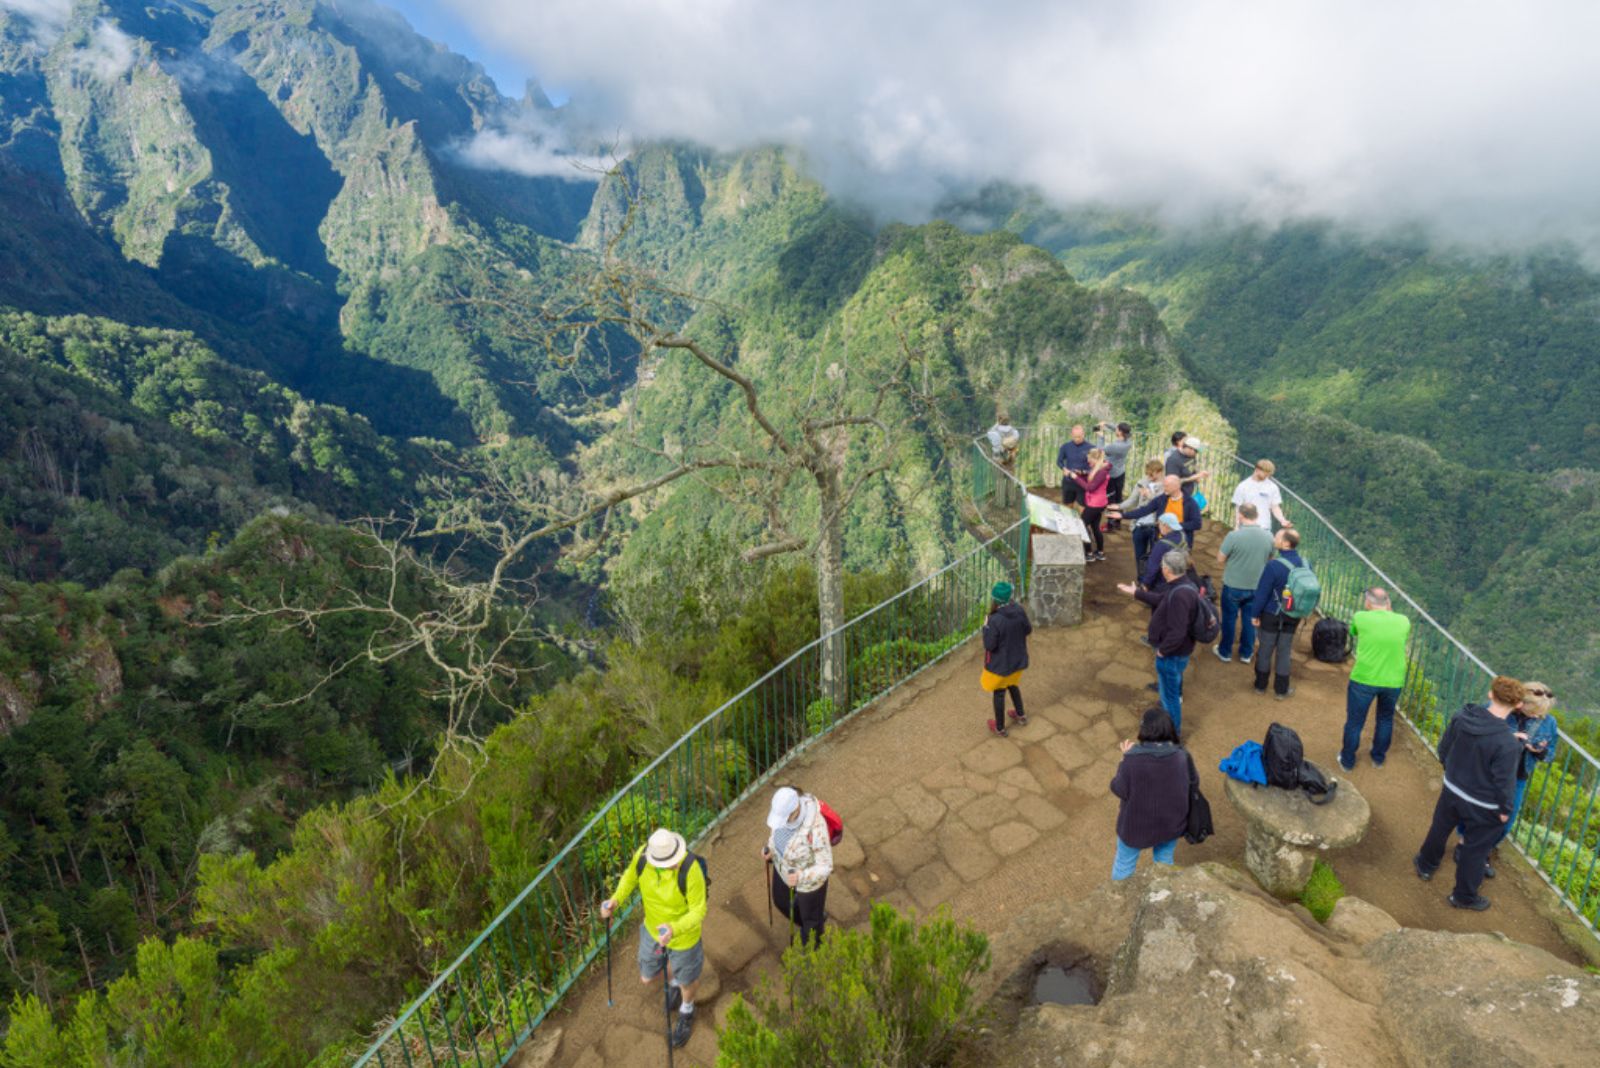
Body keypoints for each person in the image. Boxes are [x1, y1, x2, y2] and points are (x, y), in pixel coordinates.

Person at [1413, 677, 1526, 911]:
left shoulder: (1462, 717)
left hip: (1453, 788)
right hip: (1483, 805)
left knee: (1439, 828)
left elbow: (1444, 747)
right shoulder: (1508, 744)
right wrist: (1505, 810)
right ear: (1518, 705)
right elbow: (1504, 783)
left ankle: (1425, 865)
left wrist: (1451, 772)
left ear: (1490, 694)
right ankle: (1463, 897)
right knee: (1476, 850)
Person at [601, 827, 708, 1047]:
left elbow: (699, 910)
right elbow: (630, 877)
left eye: (674, 859)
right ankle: (674, 981)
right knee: (647, 976)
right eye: (668, 862)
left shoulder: (691, 869)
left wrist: (674, 929)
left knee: (688, 980)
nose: (674, 864)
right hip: (653, 931)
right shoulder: (643, 857)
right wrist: (615, 901)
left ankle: (687, 1010)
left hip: (684, 938)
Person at [1463, 681, 1561, 877]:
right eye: (1534, 712)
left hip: (1518, 776)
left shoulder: (1549, 722)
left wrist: (1540, 751)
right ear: (1521, 703)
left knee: (1506, 821)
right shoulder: (1501, 708)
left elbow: (1550, 753)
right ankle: (1465, 843)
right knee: (1474, 808)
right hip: (1490, 770)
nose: (1537, 717)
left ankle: (1483, 850)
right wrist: (1508, 737)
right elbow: (1477, 729)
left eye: (1541, 713)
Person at [1110, 707, 1199, 879]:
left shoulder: (1132, 760)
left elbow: (1118, 788)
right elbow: (1194, 783)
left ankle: (1118, 895)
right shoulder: (1182, 755)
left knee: (1124, 865)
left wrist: (1124, 759)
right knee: (1164, 862)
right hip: (1171, 824)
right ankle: (1164, 891)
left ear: (1144, 729)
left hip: (1135, 828)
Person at [1339, 588, 1412, 770]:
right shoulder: (1404, 621)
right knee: (1385, 719)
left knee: (1355, 722)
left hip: (1364, 678)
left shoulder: (1361, 617)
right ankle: (1378, 758)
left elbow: (1353, 632)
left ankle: (1347, 761)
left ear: (1368, 603)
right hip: (1393, 680)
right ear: (1388, 603)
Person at [762, 786, 834, 948]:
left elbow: (826, 865)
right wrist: (771, 850)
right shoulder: (782, 816)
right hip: (784, 870)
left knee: (812, 923)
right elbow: (776, 836)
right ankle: (811, 923)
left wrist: (801, 876)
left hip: (809, 884)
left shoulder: (816, 827)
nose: (780, 821)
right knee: (781, 902)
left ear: (795, 810)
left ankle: (815, 947)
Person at [1146, 549, 1201, 734]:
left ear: (1167, 570)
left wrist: (1163, 650)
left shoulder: (1179, 594)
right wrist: (1135, 593)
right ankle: (1167, 722)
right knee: (1170, 690)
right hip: (1179, 651)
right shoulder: (1184, 584)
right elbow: (1160, 599)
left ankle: (1172, 734)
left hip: (1171, 654)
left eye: (1162, 565)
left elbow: (1177, 632)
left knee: (1170, 697)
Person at [1214, 503, 1274, 664]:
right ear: (1257, 515)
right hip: (1256, 587)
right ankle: (1246, 654)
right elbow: (1270, 559)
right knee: (1250, 620)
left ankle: (1225, 652)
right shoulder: (1269, 536)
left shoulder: (1233, 536)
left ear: (1240, 515)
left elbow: (1220, 559)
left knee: (1229, 619)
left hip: (1233, 585)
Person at [1249, 528, 1306, 699]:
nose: (1275, 538)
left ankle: (1260, 686)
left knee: (1265, 650)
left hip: (1271, 614)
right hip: (1293, 614)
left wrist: (1254, 614)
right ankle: (1281, 690)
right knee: (1284, 651)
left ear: (1286, 543)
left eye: (1278, 536)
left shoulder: (1273, 565)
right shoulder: (1305, 564)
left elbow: (1262, 593)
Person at [982, 580, 1031, 737]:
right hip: (1018, 661)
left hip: (1001, 665)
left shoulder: (994, 620)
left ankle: (1000, 728)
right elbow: (1028, 629)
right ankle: (1021, 715)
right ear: (1010, 596)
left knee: (999, 693)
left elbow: (989, 645)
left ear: (994, 600)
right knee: (1013, 685)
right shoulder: (1019, 610)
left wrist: (985, 627)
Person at [1109, 474, 1202, 549]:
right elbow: (1145, 510)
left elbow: (1197, 524)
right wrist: (1123, 515)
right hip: (1161, 541)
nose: (1164, 488)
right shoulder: (1163, 499)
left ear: (1176, 487)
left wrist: (1173, 526)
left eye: (1167, 486)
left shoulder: (1190, 503)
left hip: (1180, 544)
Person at [1118, 514, 1187, 609]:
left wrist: (1145, 584)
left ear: (1165, 525)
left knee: (1159, 604)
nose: (1158, 527)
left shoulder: (1162, 545)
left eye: (1159, 524)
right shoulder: (1183, 536)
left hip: (1163, 581)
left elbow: (1152, 568)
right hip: (1179, 574)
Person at [1122, 458, 1166, 578]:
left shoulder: (1166, 486)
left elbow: (1162, 504)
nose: (1149, 477)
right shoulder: (1142, 482)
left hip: (1155, 527)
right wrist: (1119, 507)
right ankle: (1141, 581)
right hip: (1139, 525)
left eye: (1151, 475)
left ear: (1159, 472)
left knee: (1155, 558)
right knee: (1139, 557)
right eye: (1147, 474)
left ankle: (1152, 582)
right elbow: (1132, 500)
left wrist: (1150, 495)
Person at [1072, 448, 1111, 562]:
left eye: (1089, 459)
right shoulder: (1099, 469)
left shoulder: (1102, 472)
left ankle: (1089, 554)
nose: (1088, 461)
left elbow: (1090, 487)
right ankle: (1100, 552)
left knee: (1081, 526)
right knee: (1095, 527)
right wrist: (1081, 474)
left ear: (1096, 459)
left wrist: (1076, 478)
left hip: (1095, 504)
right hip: (1098, 503)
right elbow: (1091, 478)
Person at [1231, 458, 1292, 531]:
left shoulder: (1273, 487)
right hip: (1246, 527)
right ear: (1257, 470)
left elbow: (1275, 507)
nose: (1267, 476)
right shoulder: (1242, 486)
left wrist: (1282, 520)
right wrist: (1237, 526)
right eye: (1265, 474)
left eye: (1269, 474)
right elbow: (1238, 508)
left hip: (1264, 527)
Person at [1096, 422, 1134, 530]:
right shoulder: (1128, 442)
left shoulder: (1115, 446)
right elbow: (1120, 431)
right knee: (1118, 497)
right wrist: (1107, 424)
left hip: (1111, 475)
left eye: (1117, 429)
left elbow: (1100, 450)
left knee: (1110, 499)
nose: (1115, 429)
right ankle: (1117, 521)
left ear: (1120, 432)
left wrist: (1100, 437)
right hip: (1121, 472)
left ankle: (1110, 524)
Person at [1056, 425, 1093, 509]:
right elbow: (1059, 461)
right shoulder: (1065, 446)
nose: (1077, 439)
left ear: (1083, 434)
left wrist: (1084, 472)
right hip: (1068, 481)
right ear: (1071, 435)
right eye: (1075, 437)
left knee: (1082, 507)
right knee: (1067, 507)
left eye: (1079, 437)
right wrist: (1064, 468)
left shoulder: (1091, 447)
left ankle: (1082, 518)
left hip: (1083, 482)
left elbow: (1095, 466)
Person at [1163, 435, 1209, 500]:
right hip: (1176, 497)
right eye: (1196, 451)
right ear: (1190, 449)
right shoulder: (1173, 460)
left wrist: (1197, 474)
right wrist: (1194, 477)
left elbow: (1193, 465)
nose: (1196, 454)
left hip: (1188, 494)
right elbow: (1172, 483)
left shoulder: (1191, 455)